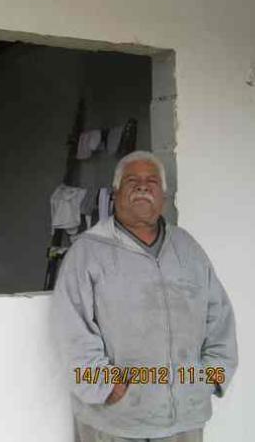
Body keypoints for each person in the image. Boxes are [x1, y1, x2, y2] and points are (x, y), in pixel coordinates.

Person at [53, 151, 238, 442]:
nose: (142, 186)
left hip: (184, 422)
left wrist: (213, 376)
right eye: (132, 181)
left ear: (163, 195)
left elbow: (219, 317)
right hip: (116, 421)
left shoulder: (187, 248)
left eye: (152, 181)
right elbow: (71, 328)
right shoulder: (87, 253)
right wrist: (103, 385)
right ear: (115, 193)